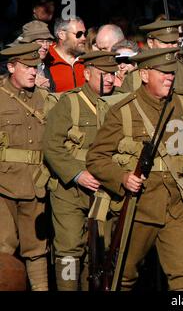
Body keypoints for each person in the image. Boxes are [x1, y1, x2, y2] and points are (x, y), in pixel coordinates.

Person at [86, 48, 183, 291]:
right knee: (123, 276)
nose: (170, 77)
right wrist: (123, 177)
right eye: (163, 73)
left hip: (177, 205)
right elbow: (96, 157)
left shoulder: (182, 104)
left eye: (172, 73)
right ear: (145, 75)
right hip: (140, 207)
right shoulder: (124, 110)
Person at [43, 51, 118, 291]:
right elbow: (51, 146)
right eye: (102, 74)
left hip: (106, 191)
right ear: (86, 74)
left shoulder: (119, 104)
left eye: (112, 74)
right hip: (70, 190)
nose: (108, 79)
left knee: (99, 250)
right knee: (68, 250)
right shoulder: (69, 102)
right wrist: (77, 174)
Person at [0, 43, 51, 291]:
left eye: (36, 66)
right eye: (28, 67)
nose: (34, 72)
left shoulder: (44, 97)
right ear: (11, 67)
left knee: (37, 248)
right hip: (3, 186)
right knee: (3, 248)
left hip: (36, 184)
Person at [45, 17, 86, 92]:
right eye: (79, 34)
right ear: (61, 35)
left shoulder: (87, 59)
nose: (84, 38)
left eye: (84, 33)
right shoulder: (46, 59)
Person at [18, 20, 55, 91]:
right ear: (28, 43)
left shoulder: (45, 66)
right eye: (40, 41)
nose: (45, 46)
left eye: (48, 41)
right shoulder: (14, 66)